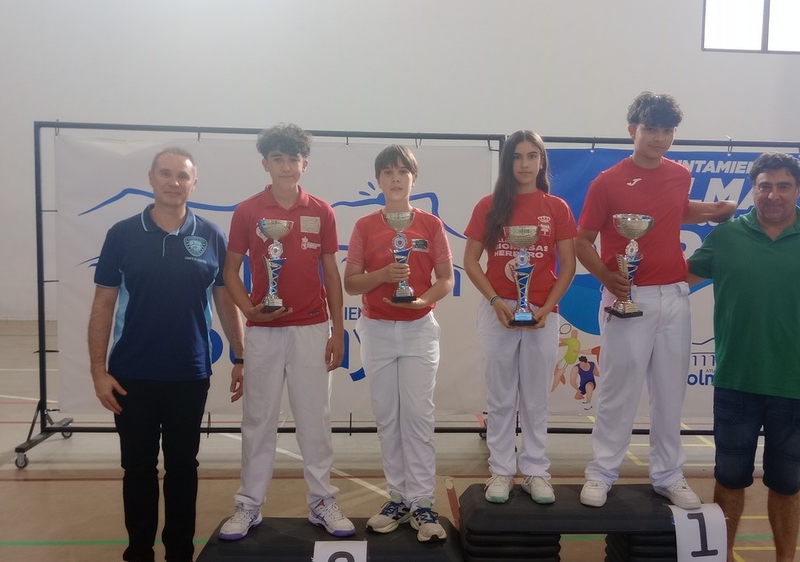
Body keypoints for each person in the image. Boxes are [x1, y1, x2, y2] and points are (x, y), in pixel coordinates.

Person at [687, 152, 800, 561]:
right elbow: (674, 279)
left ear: (799, 190)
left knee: (786, 485)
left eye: (784, 186)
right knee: (728, 481)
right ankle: (722, 557)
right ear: (753, 189)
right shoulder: (727, 237)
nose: (773, 194)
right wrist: (621, 273)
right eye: (764, 185)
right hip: (735, 386)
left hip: (798, 390)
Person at [575, 92, 735, 510]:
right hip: (627, 298)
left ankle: (668, 475)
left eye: (668, 130)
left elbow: (675, 211)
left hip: (675, 296)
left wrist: (713, 212)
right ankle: (602, 472)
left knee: (669, 393)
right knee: (617, 390)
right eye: (652, 129)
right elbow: (581, 241)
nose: (660, 138)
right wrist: (608, 277)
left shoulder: (681, 174)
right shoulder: (606, 181)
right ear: (633, 130)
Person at [88, 147, 244, 562]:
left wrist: (240, 356)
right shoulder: (122, 234)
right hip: (130, 376)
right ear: (152, 178)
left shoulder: (211, 235)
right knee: (137, 470)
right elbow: (103, 304)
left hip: (189, 374)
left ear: (194, 183)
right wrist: (98, 371)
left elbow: (225, 302)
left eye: (183, 176)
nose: (174, 182)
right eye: (166, 174)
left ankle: (179, 553)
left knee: (182, 469)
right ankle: (138, 552)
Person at [217, 123, 354, 540]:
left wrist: (338, 328)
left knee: (315, 419)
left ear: (304, 164)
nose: (286, 166)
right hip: (264, 331)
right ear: (265, 163)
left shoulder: (321, 211)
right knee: (259, 420)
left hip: (312, 329)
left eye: (293, 159)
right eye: (277, 158)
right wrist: (250, 308)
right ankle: (249, 505)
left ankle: (321, 502)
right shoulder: (247, 211)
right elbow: (229, 272)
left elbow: (331, 271)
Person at [343, 145, 454, 542]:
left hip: (419, 328)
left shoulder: (430, 225)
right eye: (387, 171)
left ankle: (423, 503)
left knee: (418, 418)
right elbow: (351, 282)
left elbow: (446, 279)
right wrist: (384, 273)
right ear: (378, 180)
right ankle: (398, 498)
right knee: (388, 417)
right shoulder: (364, 226)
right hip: (376, 330)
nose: (395, 178)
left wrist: (424, 299)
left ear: (413, 178)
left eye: (402, 171)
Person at [463, 130, 577, 505]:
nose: (525, 164)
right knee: (499, 396)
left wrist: (547, 308)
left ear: (542, 161)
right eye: (517, 157)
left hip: (542, 314)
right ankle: (500, 471)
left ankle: (535, 471)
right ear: (507, 162)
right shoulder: (488, 206)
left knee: (535, 398)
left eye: (532, 156)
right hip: (498, 309)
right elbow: (470, 262)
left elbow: (568, 266)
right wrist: (496, 299)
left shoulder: (556, 207)